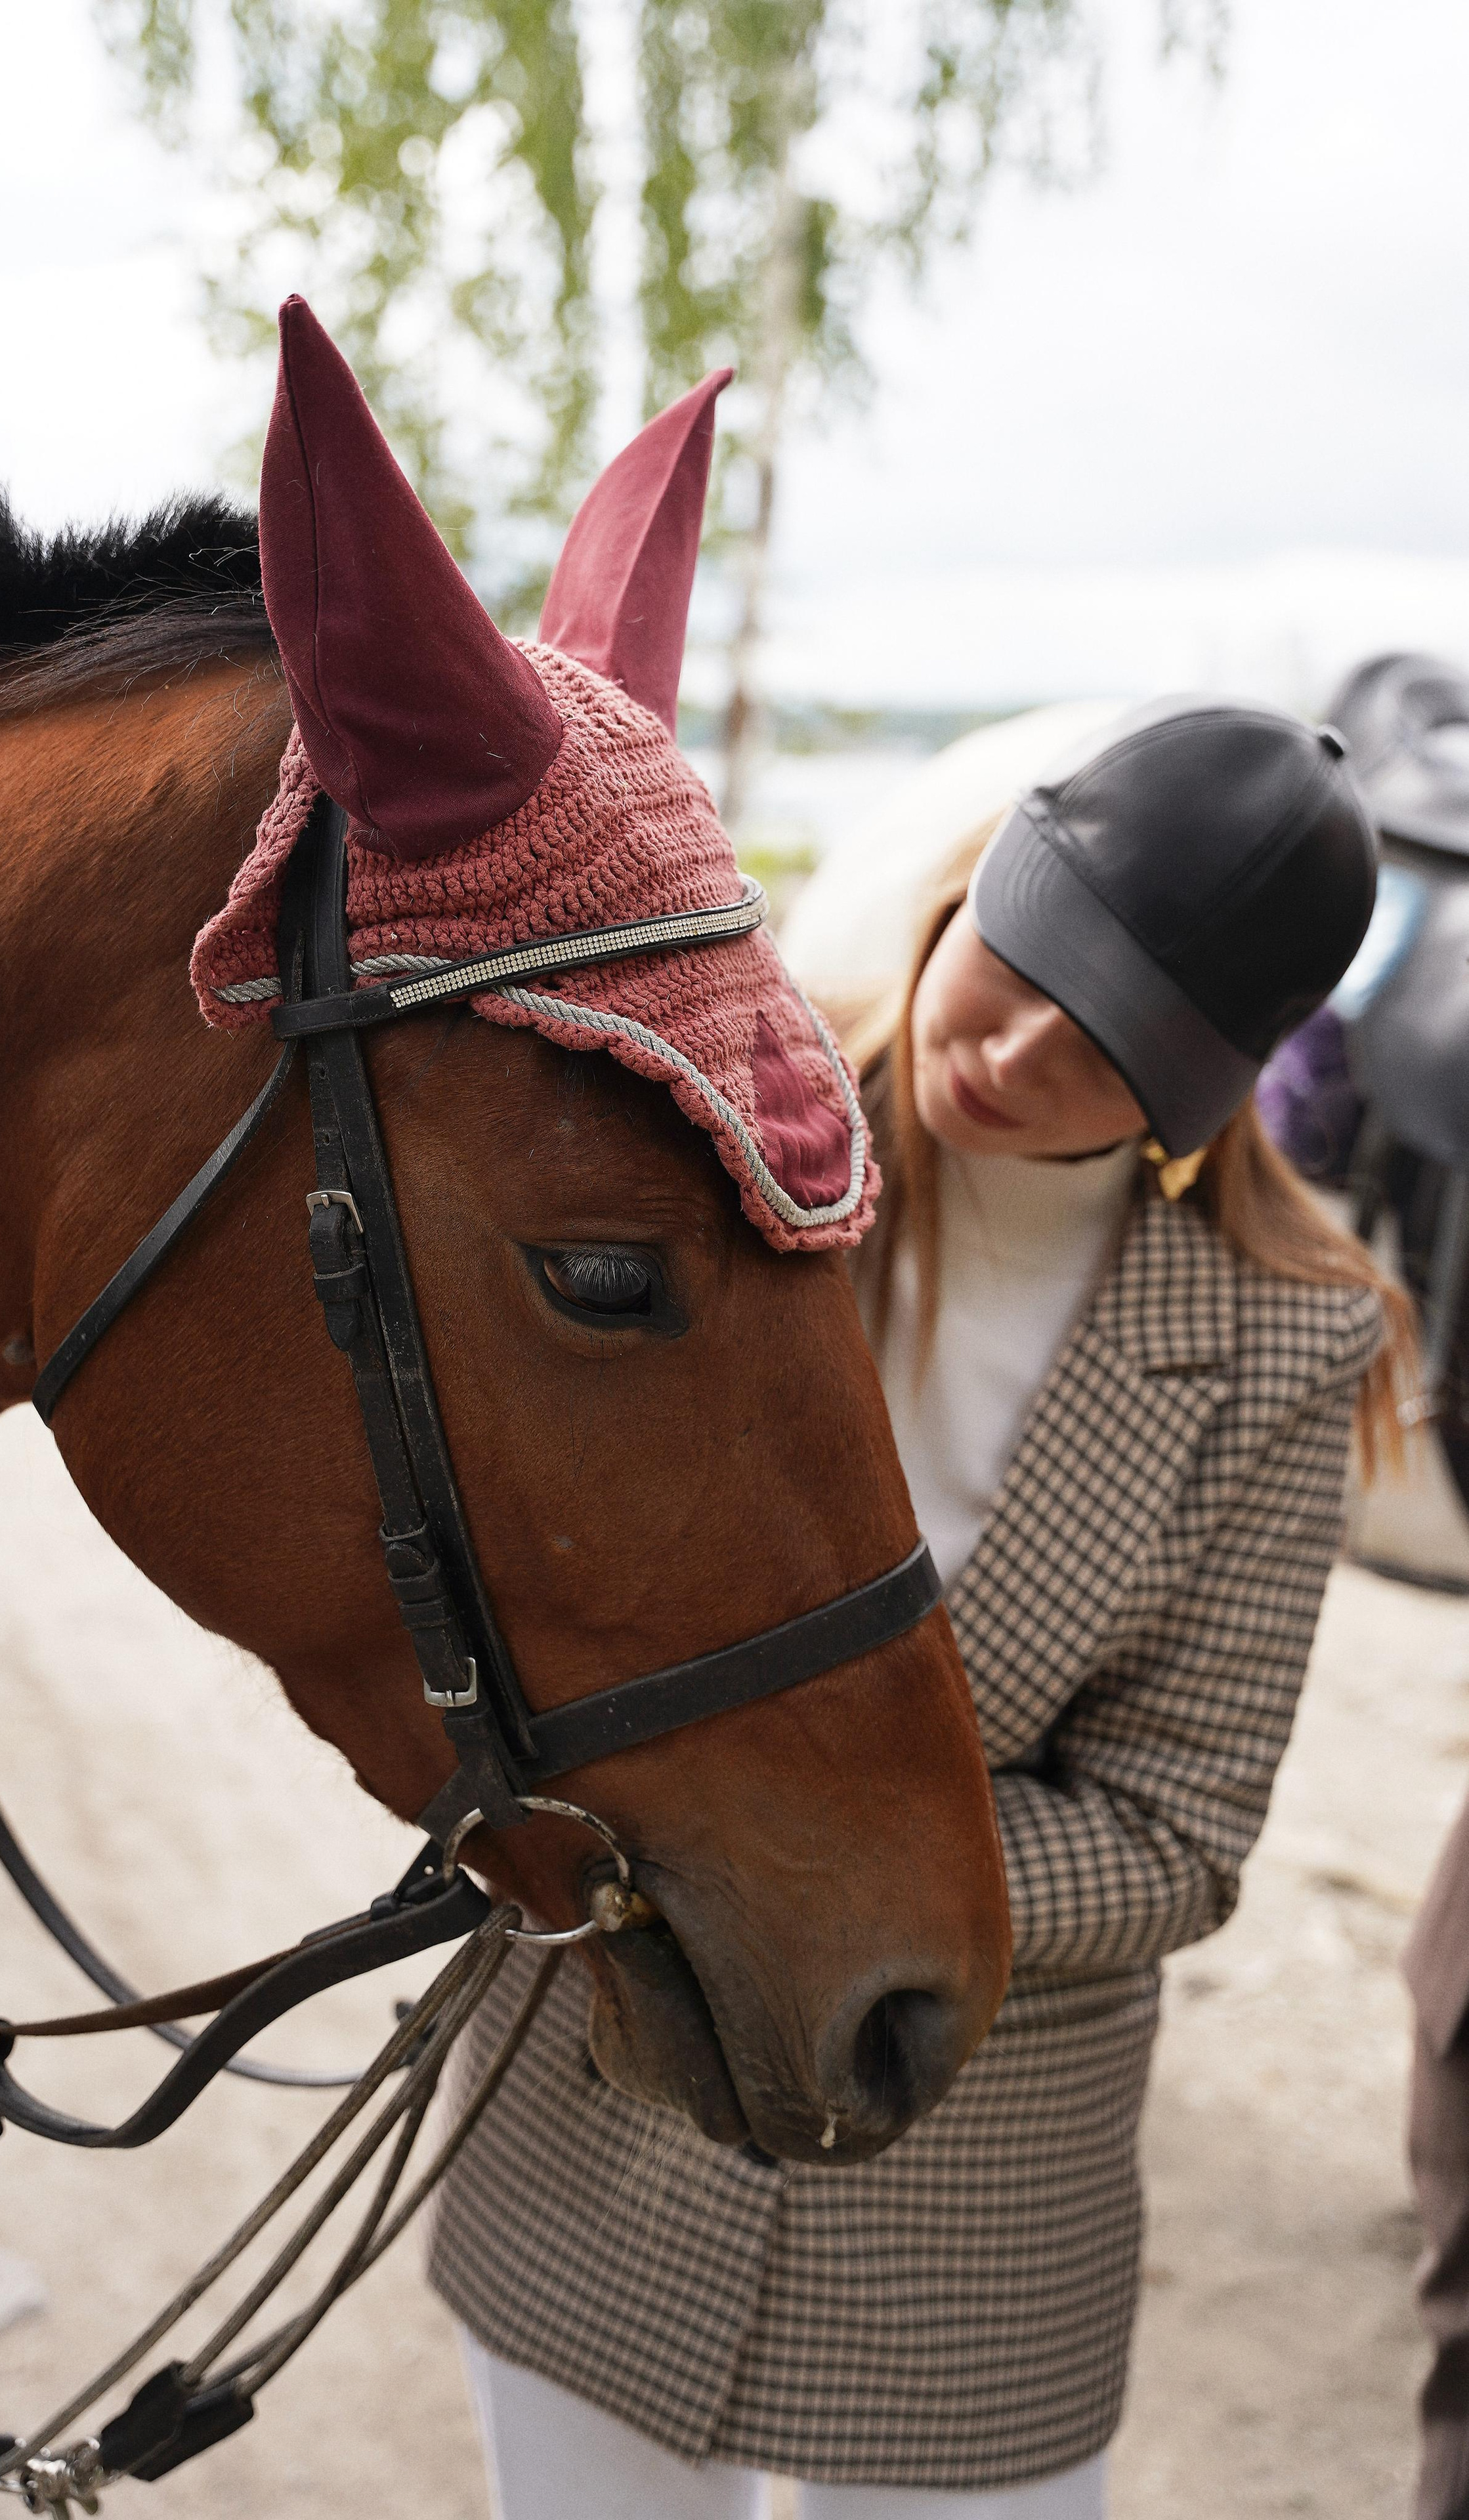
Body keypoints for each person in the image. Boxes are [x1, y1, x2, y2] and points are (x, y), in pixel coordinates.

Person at [428, 696, 1413, 2518]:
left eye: (1112, 1039)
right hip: (604, 2114)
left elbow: (1175, 1839)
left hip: (964, 2197)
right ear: (967, 887)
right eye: (1016, 956)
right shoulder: (706, 1153)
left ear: (1206, 1100)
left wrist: (796, 1861)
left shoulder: (1285, 1340)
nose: (1017, 1046)